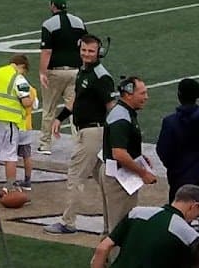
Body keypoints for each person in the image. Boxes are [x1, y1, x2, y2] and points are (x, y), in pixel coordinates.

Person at [46, 35, 117, 235]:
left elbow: (112, 107)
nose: (86, 54)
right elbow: (76, 99)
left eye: (91, 51)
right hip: (87, 130)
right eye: (84, 50)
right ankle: (114, 223)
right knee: (105, 181)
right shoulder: (84, 72)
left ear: (99, 52)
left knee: (75, 176)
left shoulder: (101, 76)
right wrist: (60, 117)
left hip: (93, 132)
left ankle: (68, 222)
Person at [89, 185, 199, 268]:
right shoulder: (190, 236)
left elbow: (103, 248)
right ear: (195, 206)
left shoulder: (136, 213)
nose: (195, 218)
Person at [101, 76, 156, 234]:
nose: (146, 97)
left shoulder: (123, 112)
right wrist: (143, 173)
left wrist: (138, 156)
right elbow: (119, 153)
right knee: (120, 229)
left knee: (112, 228)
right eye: (142, 93)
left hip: (114, 172)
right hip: (119, 177)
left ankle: (105, 251)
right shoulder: (121, 117)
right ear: (128, 94)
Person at [38, 0, 87, 153]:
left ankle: (45, 144)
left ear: (53, 5)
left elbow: (47, 51)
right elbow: (85, 45)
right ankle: (79, 145)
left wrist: (42, 72)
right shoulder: (78, 22)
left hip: (55, 71)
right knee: (74, 109)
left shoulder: (49, 24)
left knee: (49, 108)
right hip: (75, 71)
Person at [0, 54, 34, 192]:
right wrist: (32, 100)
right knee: (10, 155)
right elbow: (26, 101)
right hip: (8, 120)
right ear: (22, 66)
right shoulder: (18, 78)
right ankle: (10, 187)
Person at [156, 78, 199, 202]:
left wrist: (175, 167)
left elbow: (163, 151)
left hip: (179, 178)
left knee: (179, 211)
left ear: (179, 95)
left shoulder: (170, 122)